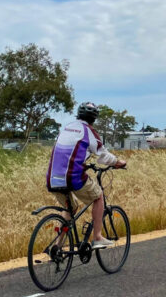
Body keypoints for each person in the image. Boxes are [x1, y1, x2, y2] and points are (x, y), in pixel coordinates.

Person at [46, 102, 127, 248]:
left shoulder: (66, 128)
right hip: (72, 177)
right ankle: (97, 237)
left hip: (53, 177)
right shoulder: (88, 131)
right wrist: (118, 162)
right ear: (94, 118)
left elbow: (67, 153)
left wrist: (82, 163)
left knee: (70, 208)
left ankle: (57, 245)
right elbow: (103, 155)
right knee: (99, 196)